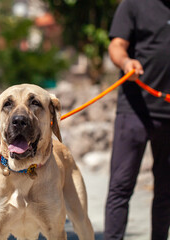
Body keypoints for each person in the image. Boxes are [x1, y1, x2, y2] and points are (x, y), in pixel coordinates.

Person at [105, 0, 170, 239]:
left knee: (166, 191)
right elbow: (117, 45)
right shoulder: (134, 4)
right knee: (120, 187)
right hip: (135, 110)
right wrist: (125, 62)